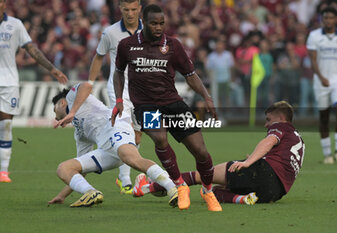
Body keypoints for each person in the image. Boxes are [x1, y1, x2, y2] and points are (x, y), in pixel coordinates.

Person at [111, 4, 222, 212]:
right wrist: (119, 100)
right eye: (154, 23)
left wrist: (206, 96)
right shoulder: (126, 45)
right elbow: (118, 72)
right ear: (144, 22)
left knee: (201, 152)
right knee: (160, 138)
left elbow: (190, 75)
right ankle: (180, 185)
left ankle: (207, 191)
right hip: (146, 106)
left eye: (162, 23)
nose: (159, 27)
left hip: (173, 103)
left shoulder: (173, 45)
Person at [135, 101, 305, 204]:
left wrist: (248, 163)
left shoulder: (281, 127)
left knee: (201, 176)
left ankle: (147, 188)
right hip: (274, 192)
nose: (266, 125)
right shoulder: (298, 139)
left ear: (282, 118)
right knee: (213, 191)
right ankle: (242, 199)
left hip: (263, 173)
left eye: (268, 120)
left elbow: (268, 142)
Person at [48, 82, 178, 208]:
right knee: (64, 168)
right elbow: (80, 172)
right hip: (106, 151)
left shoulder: (71, 98)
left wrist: (72, 112)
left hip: (115, 125)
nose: (56, 117)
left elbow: (87, 86)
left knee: (131, 158)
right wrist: (62, 196)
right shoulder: (79, 134)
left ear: (62, 103)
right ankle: (90, 192)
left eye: (55, 111)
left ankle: (172, 188)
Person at [0, 0, 68, 183]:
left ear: (4, 3)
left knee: (5, 126)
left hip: (8, 82)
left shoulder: (15, 25)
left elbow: (32, 49)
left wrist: (52, 69)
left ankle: (3, 172)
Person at [88, 0, 143, 195]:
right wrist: (90, 83)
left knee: (137, 135)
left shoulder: (149, 31)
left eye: (134, 9)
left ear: (140, 9)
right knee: (126, 131)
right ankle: (125, 180)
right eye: (126, 9)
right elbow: (99, 56)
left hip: (143, 91)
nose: (130, 13)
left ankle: (123, 174)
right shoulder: (110, 32)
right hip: (119, 90)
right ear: (120, 9)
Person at [306, 7, 337, 164]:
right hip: (321, 80)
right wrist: (321, 77)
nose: (328, 20)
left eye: (331, 18)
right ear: (322, 19)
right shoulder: (314, 36)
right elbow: (312, 59)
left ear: (336, 19)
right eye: (325, 18)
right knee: (324, 116)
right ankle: (327, 155)